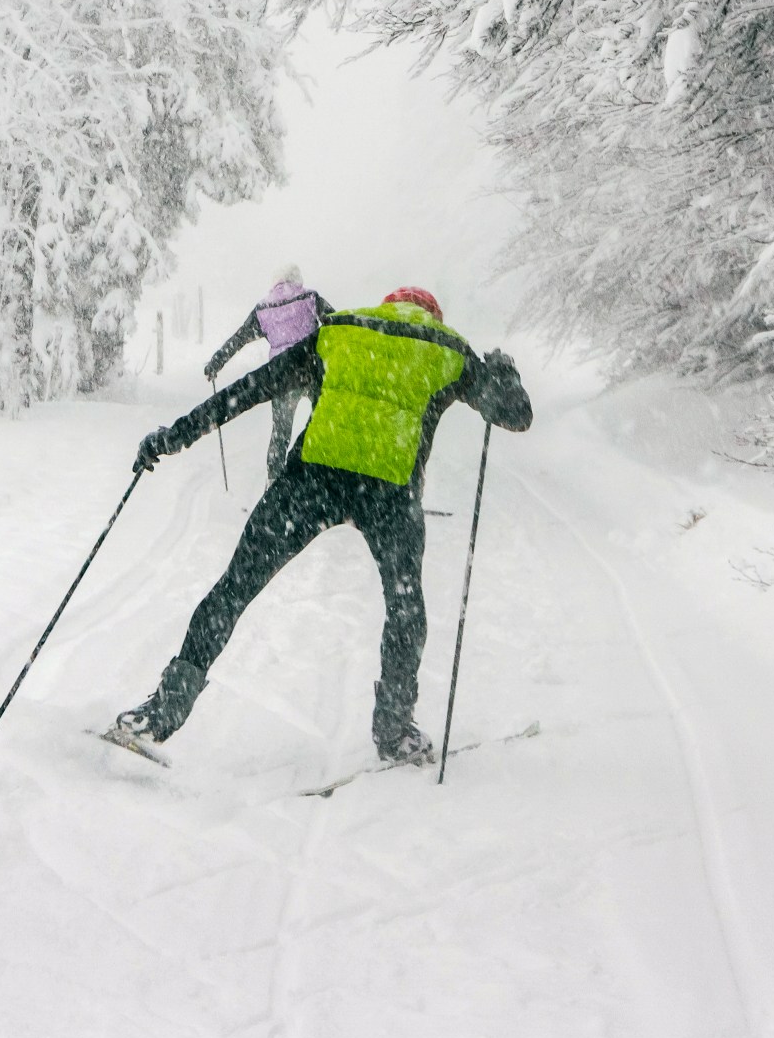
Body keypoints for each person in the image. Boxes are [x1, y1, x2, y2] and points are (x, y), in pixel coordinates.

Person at [114, 287, 532, 764]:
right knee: (405, 607)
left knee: (235, 586)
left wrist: (175, 436)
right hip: (389, 495)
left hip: (310, 482)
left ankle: (163, 711)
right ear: (432, 314)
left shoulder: (339, 331)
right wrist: (504, 373)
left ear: (386, 303)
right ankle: (394, 731)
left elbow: (249, 390)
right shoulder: (449, 350)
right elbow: (515, 415)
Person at [205, 265, 331, 478]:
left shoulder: (263, 309)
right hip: (311, 371)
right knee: (323, 421)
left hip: (281, 375)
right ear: (297, 279)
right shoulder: (310, 297)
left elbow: (239, 338)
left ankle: (274, 480)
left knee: (280, 435)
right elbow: (335, 322)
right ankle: (321, 475)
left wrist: (217, 361)